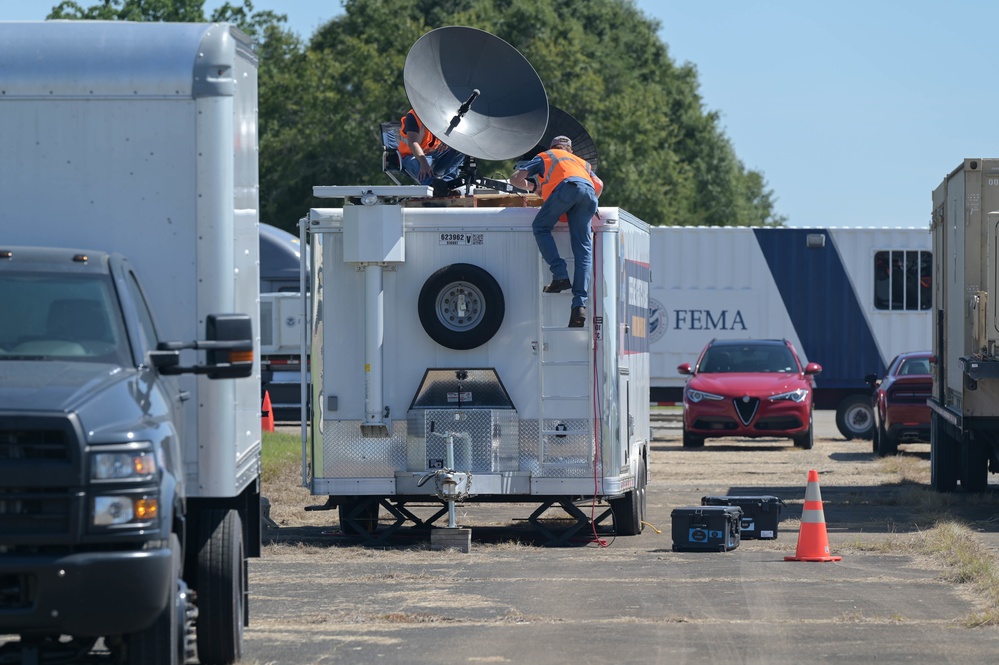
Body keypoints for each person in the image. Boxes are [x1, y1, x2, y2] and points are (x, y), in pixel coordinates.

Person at [510, 135, 604, 328]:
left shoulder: (546, 155)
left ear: (553, 147)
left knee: (541, 227)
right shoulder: (582, 163)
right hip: (589, 195)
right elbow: (599, 185)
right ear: (570, 150)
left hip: (567, 190)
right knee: (583, 251)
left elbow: (515, 179)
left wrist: (534, 187)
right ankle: (579, 304)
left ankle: (560, 275)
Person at [398, 108, 466, 194]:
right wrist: (424, 163)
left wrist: (447, 142)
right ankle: (433, 186)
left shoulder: (442, 114)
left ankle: (448, 184)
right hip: (412, 155)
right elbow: (413, 143)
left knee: (459, 149)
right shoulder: (413, 116)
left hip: (434, 154)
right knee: (417, 163)